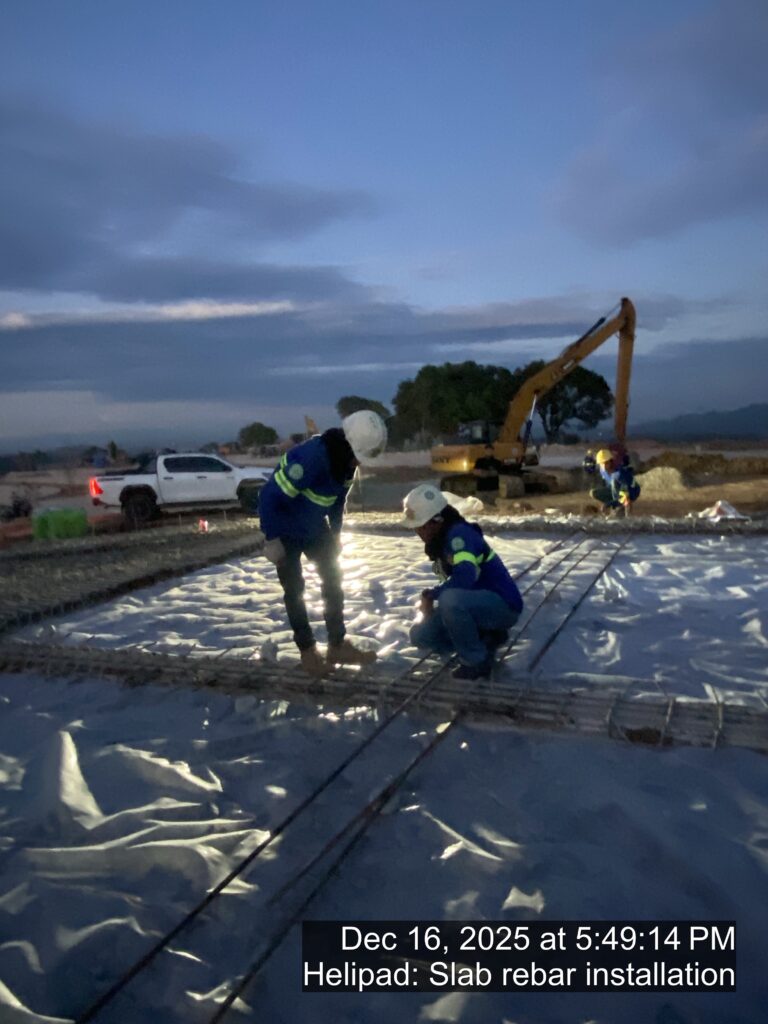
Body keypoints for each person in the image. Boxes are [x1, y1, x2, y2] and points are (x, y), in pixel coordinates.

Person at [259, 410, 387, 675]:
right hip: (284, 526)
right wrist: (272, 539)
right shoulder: (310, 459)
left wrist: (336, 535)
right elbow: (269, 497)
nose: (359, 463)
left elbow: (338, 501)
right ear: (349, 444)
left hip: (314, 526)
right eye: (359, 456)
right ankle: (308, 652)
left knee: (333, 579)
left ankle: (337, 645)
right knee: (294, 589)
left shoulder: (347, 463)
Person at [403, 483, 523, 680]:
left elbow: (465, 578)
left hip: (503, 605)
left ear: (436, 521)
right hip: (474, 605)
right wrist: (432, 598)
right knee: (421, 636)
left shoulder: (460, 536)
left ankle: (476, 661)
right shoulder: (441, 541)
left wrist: (433, 595)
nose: (418, 532)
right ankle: (485, 637)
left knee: (450, 600)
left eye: (420, 527)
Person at [590, 448, 641, 516]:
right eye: (602, 463)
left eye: (606, 463)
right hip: (617, 490)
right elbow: (610, 487)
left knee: (620, 496)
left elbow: (625, 491)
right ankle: (615, 505)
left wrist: (609, 504)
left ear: (610, 462)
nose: (604, 466)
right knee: (593, 493)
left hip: (631, 490)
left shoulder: (619, 473)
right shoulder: (603, 471)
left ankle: (619, 507)